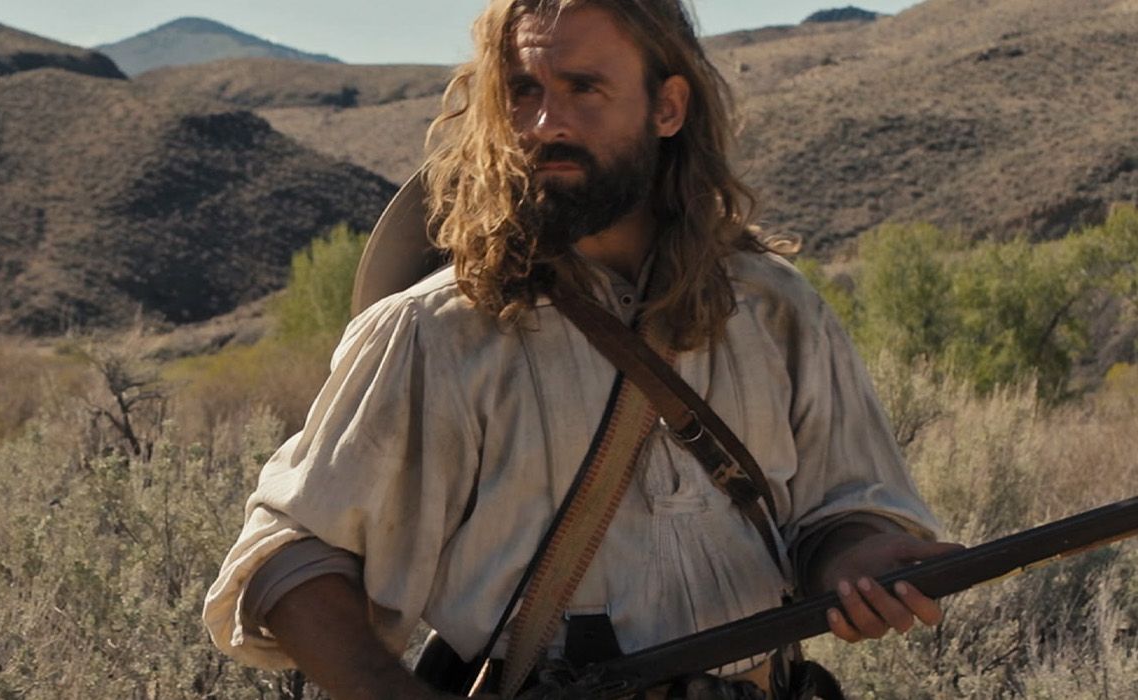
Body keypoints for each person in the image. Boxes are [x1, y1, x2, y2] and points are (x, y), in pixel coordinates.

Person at [204, 1, 957, 698]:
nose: (542, 124)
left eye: (582, 88)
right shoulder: (436, 331)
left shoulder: (773, 307)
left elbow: (844, 509)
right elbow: (289, 559)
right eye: (522, 90)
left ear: (668, 107)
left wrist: (855, 560)